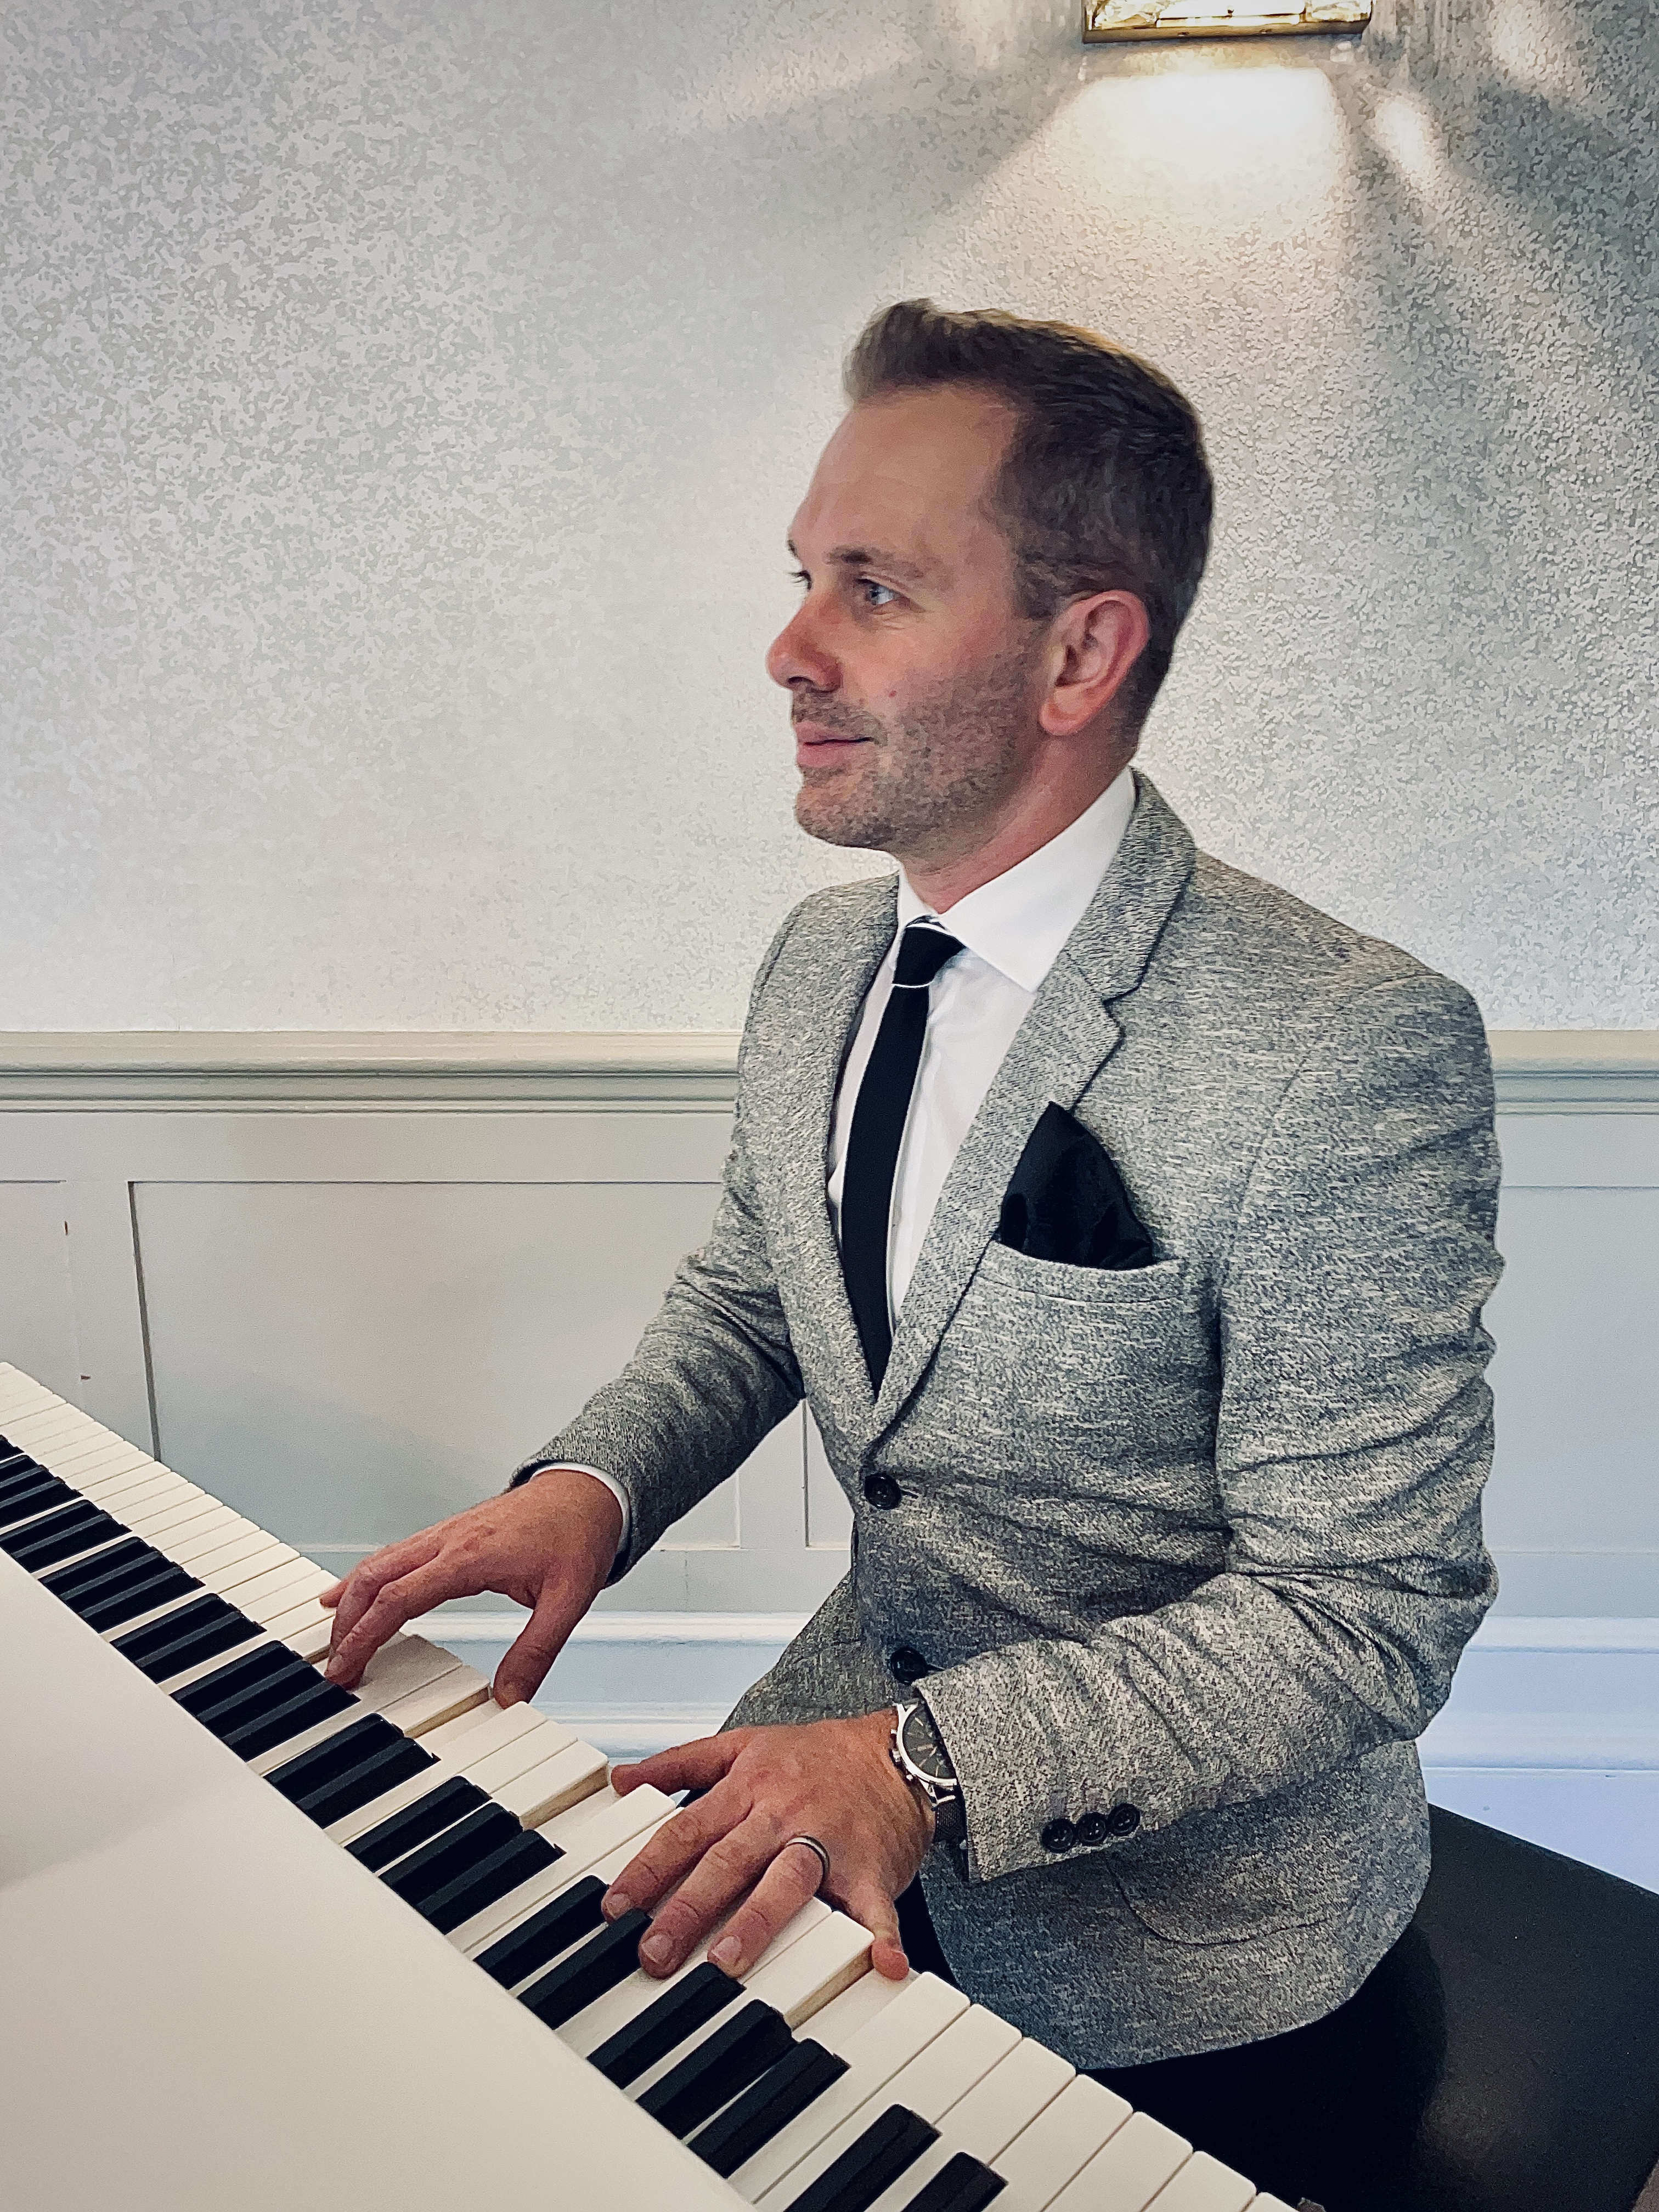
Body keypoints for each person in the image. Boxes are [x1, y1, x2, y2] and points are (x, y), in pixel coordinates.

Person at [321, 300, 1502, 2199]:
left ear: (1081, 649)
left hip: (1193, 1955)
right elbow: (751, 1288)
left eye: (871, 589)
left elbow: (1368, 1608)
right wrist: (593, 1491)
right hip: (831, 1754)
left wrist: (922, 1763)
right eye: (804, 577)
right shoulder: (817, 964)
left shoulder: (1349, 1046)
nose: (788, 649)